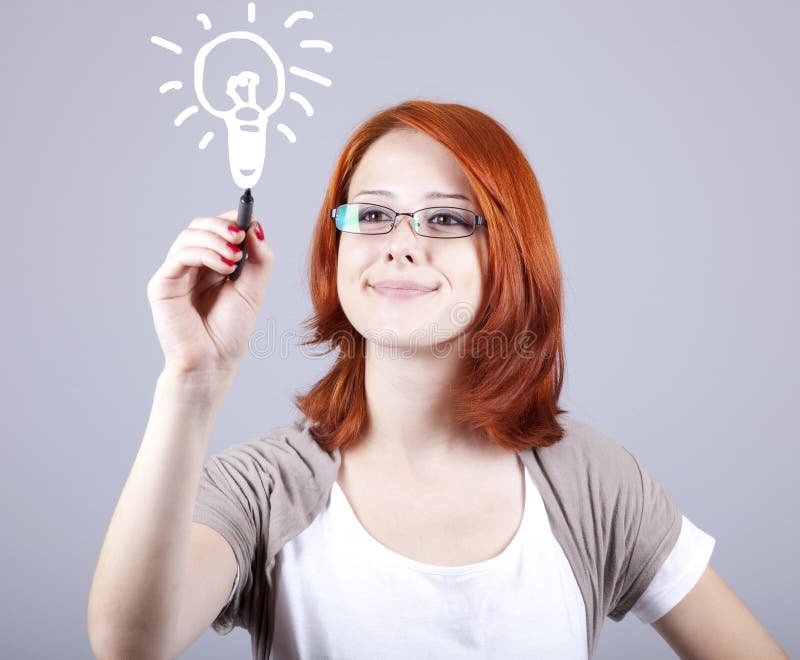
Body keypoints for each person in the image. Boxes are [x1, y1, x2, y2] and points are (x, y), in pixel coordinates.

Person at [87, 101, 789, 659]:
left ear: (508, 254)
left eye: (447, 218)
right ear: (339, 250)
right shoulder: (265, 488)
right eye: (373, 214)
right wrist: (192, 381)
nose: (400, 241)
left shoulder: (592, 483)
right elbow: (128, 644)